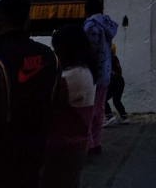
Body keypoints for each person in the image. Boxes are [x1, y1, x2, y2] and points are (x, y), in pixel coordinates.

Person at [0, 0, 60, 188]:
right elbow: (56, 102)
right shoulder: (49, 56)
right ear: (27, 19)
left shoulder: (0, 56)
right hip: (36, 147)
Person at [40, 25, 97, 188]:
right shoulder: (84, 71)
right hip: (74, 146)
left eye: (57, 48)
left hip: (63, 146)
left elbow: (48, 104)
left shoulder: (71, 77)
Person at [83, 0, 118, 155]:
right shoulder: (106, 23)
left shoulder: (91, 25)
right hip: (105, 69)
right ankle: (96, 142)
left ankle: (89, 144)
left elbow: (90, 50)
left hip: (93, 71)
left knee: (89, 110)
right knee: (99, 109)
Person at [104, 43, 129, 126]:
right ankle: (123, 116)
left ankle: (109, 116)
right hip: (120, 81)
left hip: (115, 82)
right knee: (116, 100)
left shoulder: (109, 60)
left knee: (103, 99)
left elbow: (111, 73)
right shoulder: (115, 58)